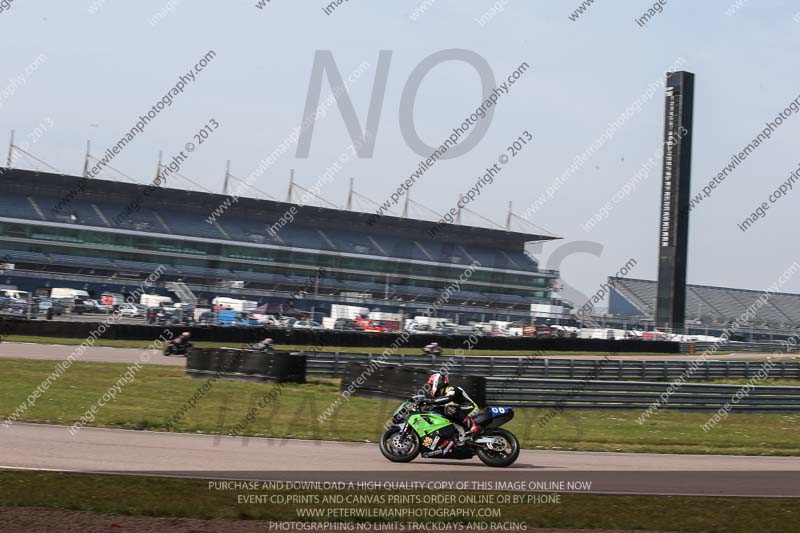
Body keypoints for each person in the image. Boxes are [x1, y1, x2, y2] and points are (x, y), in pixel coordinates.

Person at [423, 372, 480, 454]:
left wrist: (428, 401)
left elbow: (448, 398)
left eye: (431, 385)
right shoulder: (441, 396)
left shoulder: (452, 389)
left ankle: (473, 426)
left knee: (449, 408)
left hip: (470, 408)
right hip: (461, 412)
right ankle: (451, 439)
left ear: (437, 382)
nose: (430, 388)